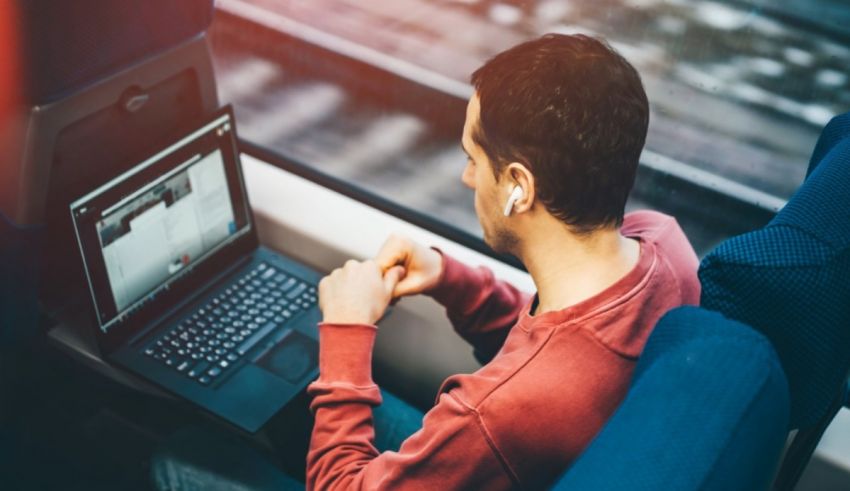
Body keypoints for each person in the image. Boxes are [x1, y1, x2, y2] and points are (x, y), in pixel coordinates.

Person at [307, 33, 700, 490]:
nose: (467, 177)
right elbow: (571, 347)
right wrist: (451, 280)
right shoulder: (662, 242)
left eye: (473, 158)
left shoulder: (493, 413)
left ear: (519, 186)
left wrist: (346, 331)